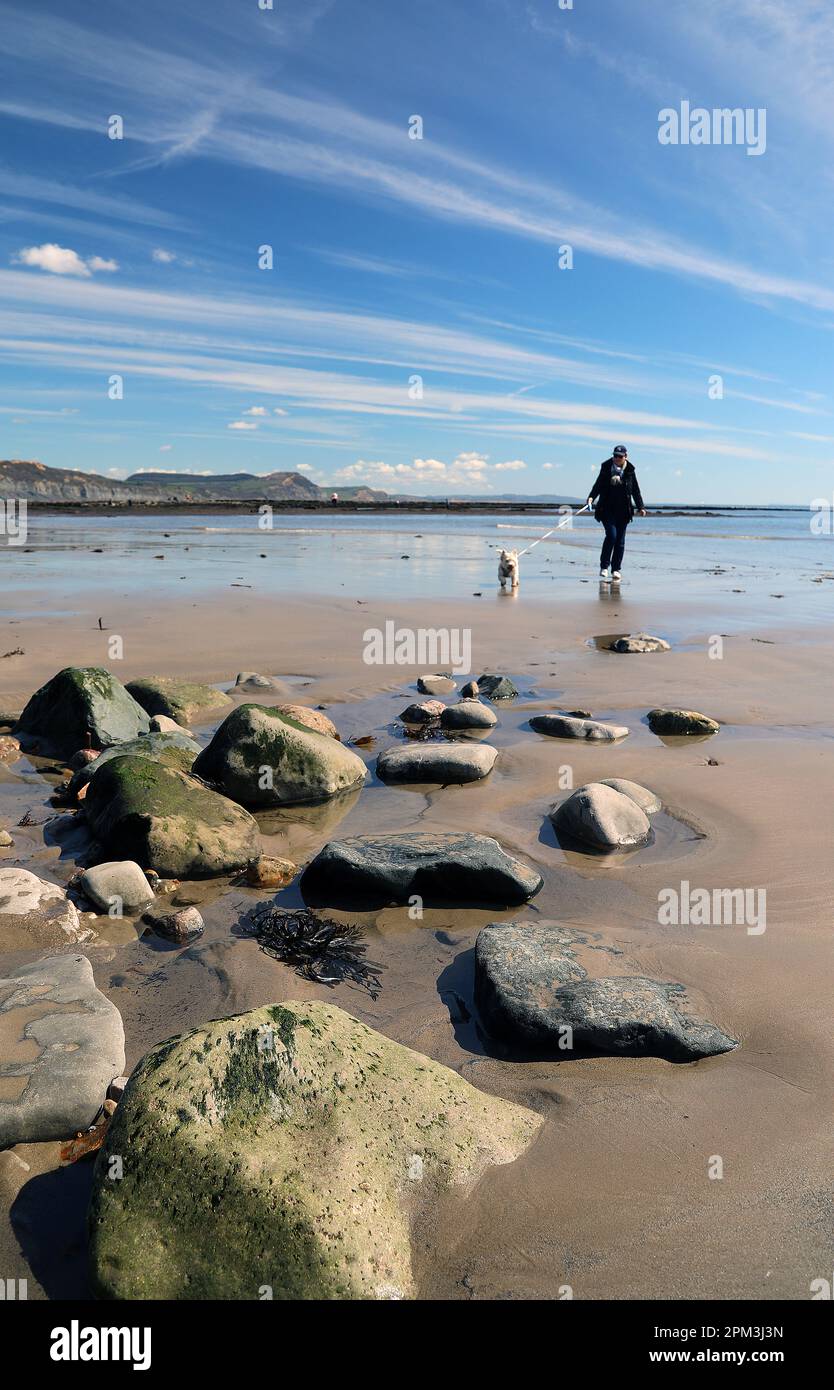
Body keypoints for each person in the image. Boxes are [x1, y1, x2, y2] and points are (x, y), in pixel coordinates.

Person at [587, 445, 646, 583]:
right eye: (615, 455)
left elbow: (636, 490)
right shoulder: (606, 467)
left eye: (620, 456)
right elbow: (598, 485)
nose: (617, 458)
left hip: (624, 511)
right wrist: (591, 498)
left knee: (620, 541)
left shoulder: (630, 471)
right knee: (611, 536)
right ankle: (604, 567)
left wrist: (641, 506)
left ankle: (616, 569)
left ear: (626, 456)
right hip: (606, 509)